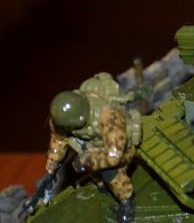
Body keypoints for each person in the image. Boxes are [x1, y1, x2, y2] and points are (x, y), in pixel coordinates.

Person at [40, 73, 145, 222]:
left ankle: (126, 201)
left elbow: (114, 157)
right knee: (95, 171)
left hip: (120, 148)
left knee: (110, 172)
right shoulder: (64, 118)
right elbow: (58, 141)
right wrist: (51, 168)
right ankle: (102, 185)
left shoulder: (110, 117)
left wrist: (86, 159)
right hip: (93, 147)